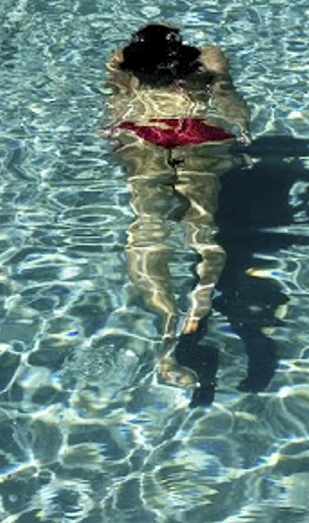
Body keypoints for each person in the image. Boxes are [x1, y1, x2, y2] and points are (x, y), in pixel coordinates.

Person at [102, 22, 251, 389]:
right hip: (197, 133)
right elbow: (227, 97)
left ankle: (169, 327)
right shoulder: (209, 57)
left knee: (147, 227)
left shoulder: (121, 60)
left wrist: (112, 134)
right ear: (178, 42)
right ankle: (200, 301)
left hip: (142, 133)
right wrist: (243, 133)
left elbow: (115, 103)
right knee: (203, 228)